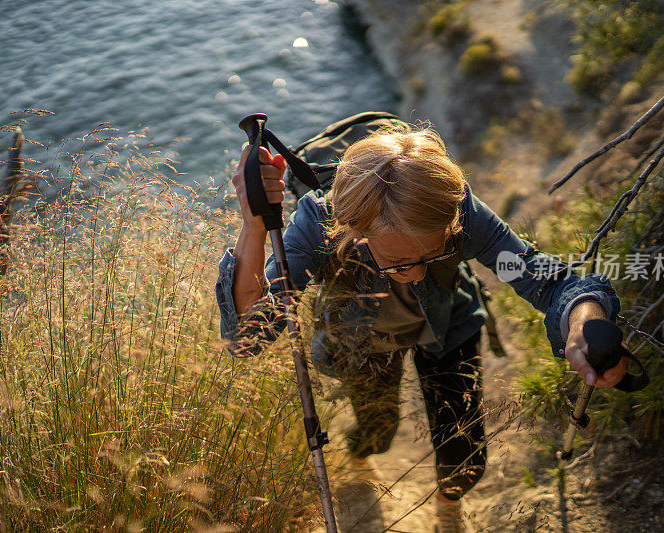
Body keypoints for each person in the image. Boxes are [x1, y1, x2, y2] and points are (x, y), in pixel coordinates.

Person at [215, 123, 629, 532]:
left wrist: (583, 320)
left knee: (465, 455)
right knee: (377, 432)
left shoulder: (457, 208)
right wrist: (253, 227)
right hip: (362, 342)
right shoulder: (319, 223)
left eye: (430, 256)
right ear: (354, 230)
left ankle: (448, 505)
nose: (414, 275)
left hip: (449, 327)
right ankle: (362, 460)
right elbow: (249, 337)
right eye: (397, 263)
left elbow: (544, 278)